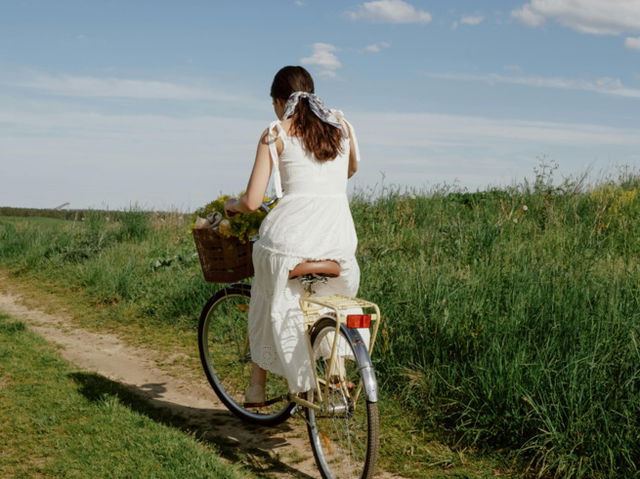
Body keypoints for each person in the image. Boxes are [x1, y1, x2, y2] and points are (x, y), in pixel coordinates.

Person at [224, 65, 362, 403]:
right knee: (331, 305)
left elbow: (253, 201)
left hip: (289, 241)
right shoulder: (341, 128)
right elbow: (351, 169)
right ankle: (337, 378)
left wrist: (232, 204)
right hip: (339, 241)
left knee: (266, 297)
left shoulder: (276, 132)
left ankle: (257, 388)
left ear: (279, 101)